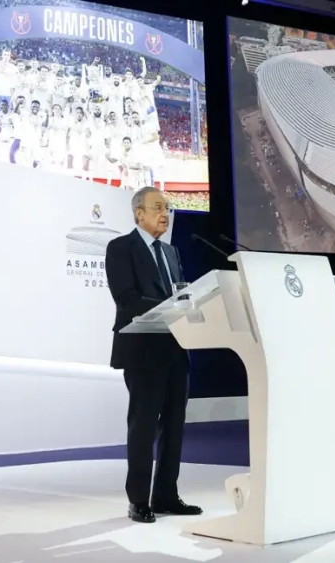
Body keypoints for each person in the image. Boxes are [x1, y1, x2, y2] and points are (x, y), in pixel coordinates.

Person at [104, 187, 201, 524]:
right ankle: (138, 501)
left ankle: (166, 496)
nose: (165, 213)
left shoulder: (171, 252)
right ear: (138, 214)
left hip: (175, 349)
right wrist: (174, 305)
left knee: (174, 426)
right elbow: (126, 299)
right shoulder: (120, 248)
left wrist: (189, 303)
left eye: (168, 208)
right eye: (158, 207)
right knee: (143, 426)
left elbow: (178, 294)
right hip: (142, 352)